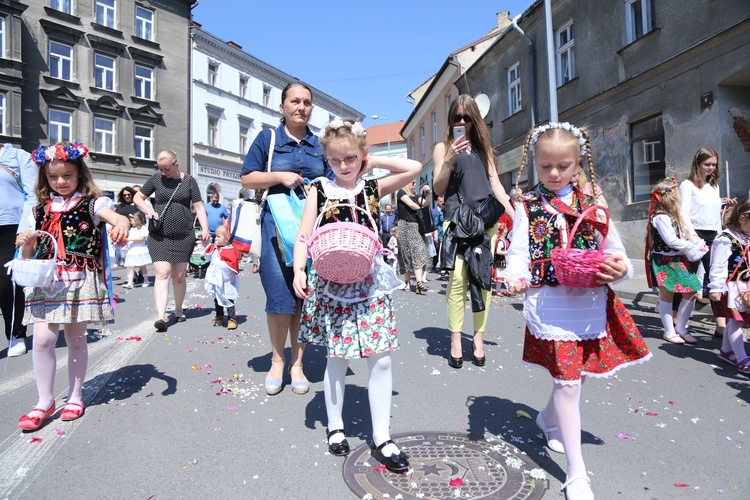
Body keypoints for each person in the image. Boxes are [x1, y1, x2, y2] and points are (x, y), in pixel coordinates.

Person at [502, 122, 652, 500]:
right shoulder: (526, 204)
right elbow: (518, 252)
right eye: (545, 166)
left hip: (589, 305)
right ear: (534, 163)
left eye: (563, 166)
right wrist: (516, 276)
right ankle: (577, 472)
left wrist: (622, 269)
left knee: (576, 379)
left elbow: (615, 252)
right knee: (568, 384)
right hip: (553, 308)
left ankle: (547, 420)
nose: (554, 174)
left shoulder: (593, 205)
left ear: (578, 163)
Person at [293, 119, 420, 472]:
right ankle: (335, 426)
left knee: (380, 358)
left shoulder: (373, 188)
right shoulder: (319, 189)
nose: (344, 166)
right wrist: (300, 269)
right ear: (327, 161)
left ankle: (382, 436)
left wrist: (373, 161)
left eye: (350, 158)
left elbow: (415, 167)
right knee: (339, 356)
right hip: (333, 281)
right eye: (335, 160)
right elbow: (305, 235)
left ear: (361, 155)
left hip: (371, 281)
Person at [16, 142, 129, 431]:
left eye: (67, 175)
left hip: (78, 279)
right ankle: (44, 401)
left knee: (76, 339)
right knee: (42, 340)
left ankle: (75, 395)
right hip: (46, 281)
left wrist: (121, 224)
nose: (61, 182)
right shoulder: (36, 210)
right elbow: (27, 255)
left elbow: (115, 217)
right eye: (53, 177)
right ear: (45, 178)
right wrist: (26, 246)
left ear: (79, 174)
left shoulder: (94, 203)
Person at [240, 82, 333, 395]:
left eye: (307, 102)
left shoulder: (320, 144)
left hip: (311, 228)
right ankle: (278, 360)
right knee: (279, 296)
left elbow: (333, 182)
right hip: (275, 227)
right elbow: (247, 177)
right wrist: (280, 177)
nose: (301, 107)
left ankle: (298, 364)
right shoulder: (268, 138)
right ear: (282, 106)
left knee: (304, 296)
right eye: (295, 101)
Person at [432, 94, 515, 368]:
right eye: (457, 117)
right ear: (451, 120)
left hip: (484, 223)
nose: (463, 122)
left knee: (482, 282)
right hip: (456, 223)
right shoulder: (442, 147)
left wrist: (518, 217)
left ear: (475, 120)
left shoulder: (484, 150)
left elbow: (497, 187)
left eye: (468, 117)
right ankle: (456, 339)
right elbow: (438, 188)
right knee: (457, 281)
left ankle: (477, 339)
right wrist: (449, 159)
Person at [133, 150, 209, 332]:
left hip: (184, 235)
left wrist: (205, 228)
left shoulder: (189, 181)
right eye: (160, 169)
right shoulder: (156, 179)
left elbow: (198, 206)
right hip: (160, 234)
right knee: (162, 273)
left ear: (176, 165)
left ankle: (178, 309)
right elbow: (137, 197)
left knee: (179, 275)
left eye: (166, 169)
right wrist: (148, 210)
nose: (163, 172)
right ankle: (161, 316)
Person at [677, 147, 735, 337]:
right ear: (698, 164)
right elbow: (683, 212)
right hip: (695, 235)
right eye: (707, 164)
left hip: (713, 235)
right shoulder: (688, 185)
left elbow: (712, 211)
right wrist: (691, 236)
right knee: (689, 279)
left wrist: (720, 234)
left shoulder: (714, 186)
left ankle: (720, 326)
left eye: (713, 165)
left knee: (715, 280)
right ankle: (675, 317)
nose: (710, 168)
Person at [645, 177, 707, 344]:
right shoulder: (660, 217)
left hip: (678, 258)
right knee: (667, 295)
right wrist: (690, 246)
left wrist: (694, 240)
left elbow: (682, 233)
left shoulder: (673, 215)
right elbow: (671, 241)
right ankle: (669, 331)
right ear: (671, 197)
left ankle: (681, 327)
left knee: (691, 291)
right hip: (664, 260)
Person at [0, 143, 38, 357]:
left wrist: (24, 230)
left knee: (6, 283)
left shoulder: (18, 156)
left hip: (10, 227)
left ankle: (15, 333)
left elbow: (33, 196)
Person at [709, 198, 750, 375]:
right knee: (736, 322)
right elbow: (718, 264)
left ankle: (726, 350)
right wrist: (715, 287)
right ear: (742, 218)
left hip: (745, 286)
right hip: (733, 288)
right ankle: (742, 358)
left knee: (735, 321)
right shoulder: (726, 239)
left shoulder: (745, 237)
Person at [395, 180, 431, 293]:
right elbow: (411, 205)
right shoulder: (401, 192)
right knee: (405, 255)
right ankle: (407, 282)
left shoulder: (416, 196)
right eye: (412, 183)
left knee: (417, 253)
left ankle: (419, 282)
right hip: (404, 225)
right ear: (406, 184)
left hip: (414, 226)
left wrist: (429, 193)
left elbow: (426, 204)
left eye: (415, 183)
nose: (415, 185)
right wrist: (420, 208)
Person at [204, 222, 240, 330]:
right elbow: (208, 257)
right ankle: (219, 315)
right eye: (215, 236)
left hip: (227, 280)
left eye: (219, 236)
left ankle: (232, 318)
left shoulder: (230, 250)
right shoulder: (215, 248)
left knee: (228, 298)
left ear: (227, 238)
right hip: (217, 280)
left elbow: (232, 266)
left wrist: (220, 265)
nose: (216, 238)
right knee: (217, 298)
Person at [121, 212, 151, 289]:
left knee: (142, 266)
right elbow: (129, 238)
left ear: (136, 220)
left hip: (140, 249)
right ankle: (130, 282)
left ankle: (146, 280)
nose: (131, 222)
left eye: (132, 220)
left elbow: (142, 238)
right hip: (132, 250)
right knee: (131, 266)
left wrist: (129, 239)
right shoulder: (132, 229)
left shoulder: (143, 228)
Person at [113, 187, 137, 267]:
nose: (127, 196)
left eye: (129, 194)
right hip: (121, 232)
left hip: (133, 232)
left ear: (132, 195)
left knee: (134, 254)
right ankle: (132, 273)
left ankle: (137, 273)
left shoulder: (137, 206)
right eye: (124, 195)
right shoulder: (120, 206)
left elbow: (141, 219)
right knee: (123, 255)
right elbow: (114, 218)